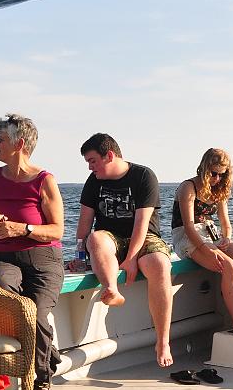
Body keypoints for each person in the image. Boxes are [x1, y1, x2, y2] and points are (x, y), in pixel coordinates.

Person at [0, 114, 65, 390]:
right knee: (7, 297)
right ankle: (48, 353)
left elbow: (57, 230)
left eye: (0, 140)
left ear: (19, 144)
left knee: (36, 314)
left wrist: (23, 229)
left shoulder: (45, 181)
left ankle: (42, 377)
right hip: (1, 257)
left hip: (43, 259)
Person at [72, 133, 175, 369]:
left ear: (109, 156)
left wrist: (131, 259)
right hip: (111, 238)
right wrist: (79, 257)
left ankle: (163, 342)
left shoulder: (144, 176)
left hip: (144, 236)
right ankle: (112, 289)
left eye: (92, 161)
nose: (90, 167)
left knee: (160, 265)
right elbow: (84, 224)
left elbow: (141, 224)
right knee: (95, 238)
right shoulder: (93, 181)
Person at [173, 148, 233, 349]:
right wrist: (206, 248)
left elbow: (225, 223)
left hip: (211, 234)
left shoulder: (219, 189)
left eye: (222, 174)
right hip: (188, 236)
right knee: (229, 266)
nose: (217, 178)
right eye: (213, 173)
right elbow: (188, 226)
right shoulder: (188, 187)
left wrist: (226, 238)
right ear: (204, 169)